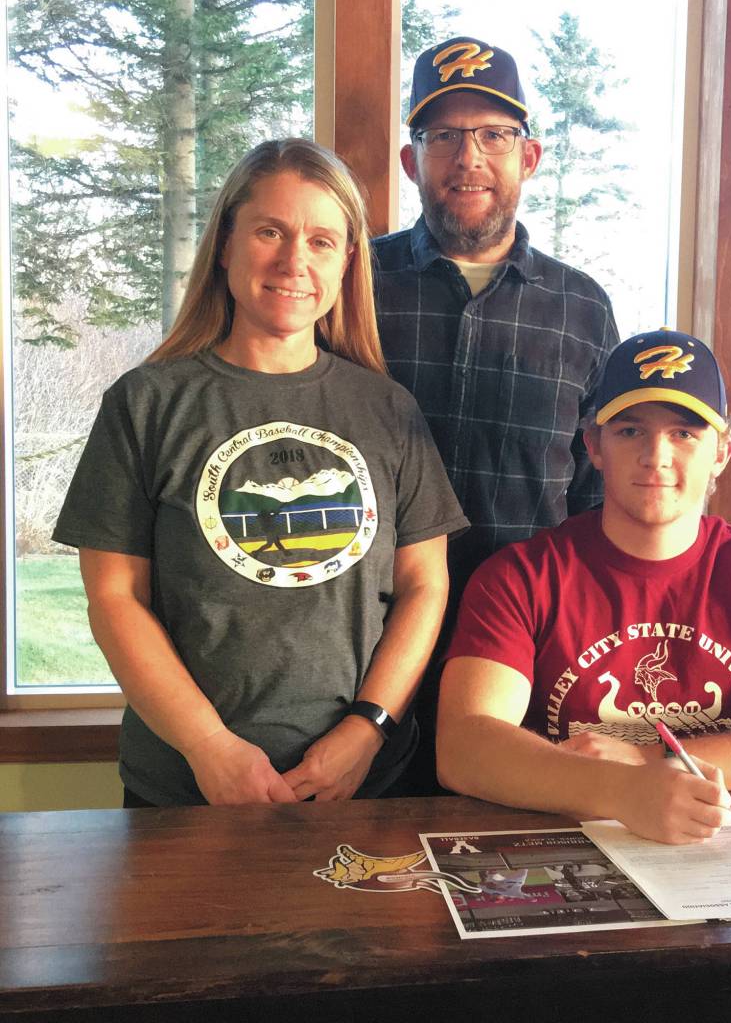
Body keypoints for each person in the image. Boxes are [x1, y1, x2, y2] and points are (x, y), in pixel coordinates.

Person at [52, 139, 468, 808]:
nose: (294, 260)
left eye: (322, 240)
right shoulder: (147, 403)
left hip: (362, 790)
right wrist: (208, 747)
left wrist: (367, 731)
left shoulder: (389, 410)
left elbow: (424, 586)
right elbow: (114, 599)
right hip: (183, 796)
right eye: (270, 231)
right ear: (225, 245)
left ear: (347, 263)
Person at [437, 330, 731, 844]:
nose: (655, 456)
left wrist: (647, 761)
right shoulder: (521, 576)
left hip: (714, 847)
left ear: (722, 452)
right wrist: (622, 790)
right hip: (569, 848)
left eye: (684, 433)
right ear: (594, 445)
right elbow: (463, 748)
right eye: (630, 431)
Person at [373, 36, 620, 787]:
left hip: (527, 665)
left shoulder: (582, 307)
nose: (469, 156)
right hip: (362, 657)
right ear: (413, 161)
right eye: (443, 135)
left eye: (494, 135)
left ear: (529, 157)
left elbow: (597, 498)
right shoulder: (355, 283)